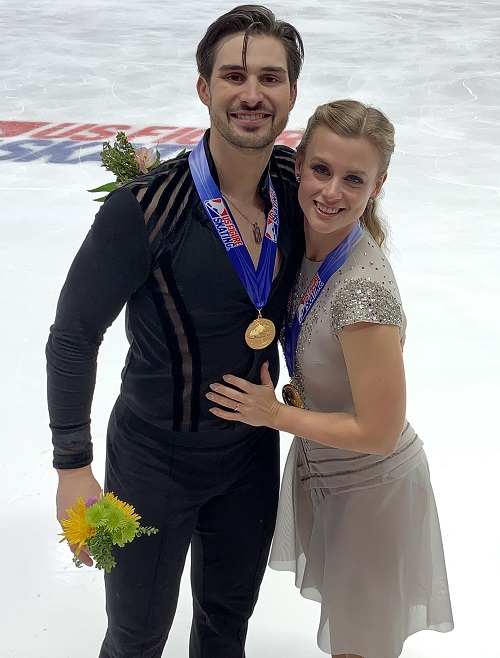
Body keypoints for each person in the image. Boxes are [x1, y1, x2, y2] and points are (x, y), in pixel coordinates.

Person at [47, 6, 305, 657]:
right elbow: (75, 333)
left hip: (249, 456)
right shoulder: (144, 208)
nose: (252, 94)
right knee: (136, 637)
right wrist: (73, 465)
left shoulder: (298, 190)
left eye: (270, 78)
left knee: (226, 626)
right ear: (204, 89)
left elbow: (332, 275)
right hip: (152, 463)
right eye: (234, 76)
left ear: (292, 93)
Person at [206, 99, 454, 658]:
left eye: (354, 179)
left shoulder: (363, 291)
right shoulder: (304, 238)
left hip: (373, 492)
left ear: (379, 183)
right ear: (298, 165)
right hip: (333, 476)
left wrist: (276, 415)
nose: (331, 192)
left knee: (359, 647)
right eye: (321, 170)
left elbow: (380, 433)